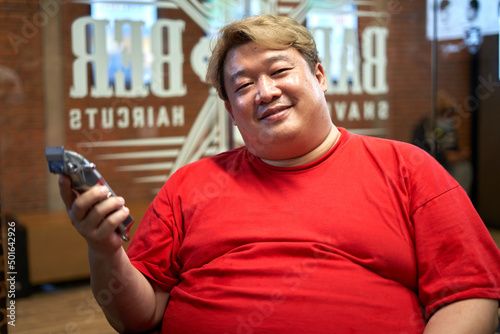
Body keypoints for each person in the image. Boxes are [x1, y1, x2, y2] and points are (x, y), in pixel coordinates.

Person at [58, 14, 500, 333]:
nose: (264, 92)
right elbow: (137, 317)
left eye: (279, 70)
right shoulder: (189, 185)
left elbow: (470, 294)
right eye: (243, 85)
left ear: (320, 76)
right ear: (232, 111)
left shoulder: (408, 168)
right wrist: (104, 250)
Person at [413, 90, 473, 195]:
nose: (450, 118)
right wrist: (445, 157)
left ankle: (458, 201)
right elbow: (418, 154)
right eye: (446, 114)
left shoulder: (450, 128)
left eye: (451, 114)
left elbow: (453, 148)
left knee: (464, 168)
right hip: (431, 168)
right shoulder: (422, 129)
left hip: (449, 167)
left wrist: (459, 155)